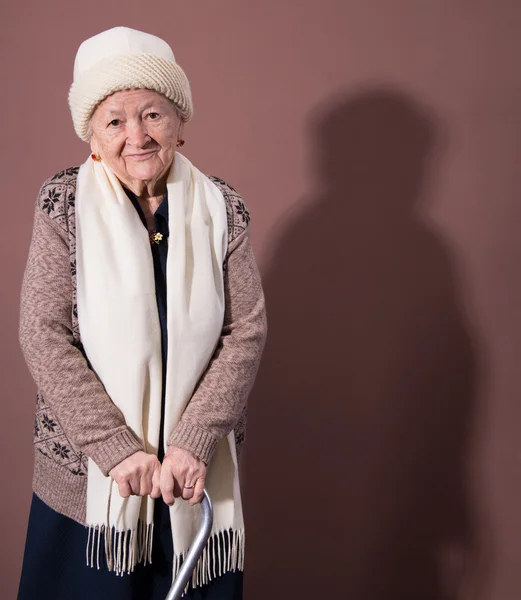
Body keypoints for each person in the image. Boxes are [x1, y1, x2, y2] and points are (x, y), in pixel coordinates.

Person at [18, 26, 267, 600]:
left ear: (180, 122)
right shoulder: (62, 204)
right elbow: (44, 333)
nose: (137, 135)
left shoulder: (223, 208)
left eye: (152, 114)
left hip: (190, 475)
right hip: (93, 483)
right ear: (92, 139)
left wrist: (193, 439)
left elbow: (245, 330)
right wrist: (115, 446)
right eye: (115, 121)